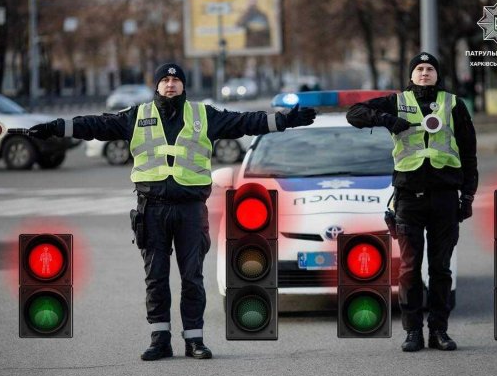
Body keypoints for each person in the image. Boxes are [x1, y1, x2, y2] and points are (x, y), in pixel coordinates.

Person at [28, 63, 317, 360]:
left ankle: (195, 340)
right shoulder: (137, 116)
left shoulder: (204, 115)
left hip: (191, 210)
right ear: (156, 85)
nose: (170, 84)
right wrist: (56, 128)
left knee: (192, 277)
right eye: (164, 79)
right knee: (156, 277)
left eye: (175, 79)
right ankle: (160, 339)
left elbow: (245, 121)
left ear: (184, 85)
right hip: (151, 209)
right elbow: (95, 126)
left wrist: (285, 121)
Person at [346, 52, 478, 352]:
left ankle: (439, 331)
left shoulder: (453, 104)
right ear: (411, 74)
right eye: (419, 68)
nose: (424, 73)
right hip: (408, 199)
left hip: (445, 198)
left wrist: (468, 196)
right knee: (409, 269)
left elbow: (469, 154)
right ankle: (413, 332)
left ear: (437, 74)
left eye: (430, 68)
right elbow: (354, 114)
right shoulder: (397, 101)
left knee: (441, 270)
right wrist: (386, 120)